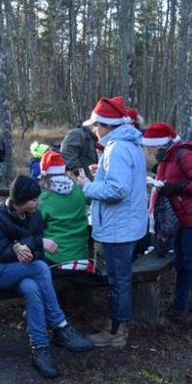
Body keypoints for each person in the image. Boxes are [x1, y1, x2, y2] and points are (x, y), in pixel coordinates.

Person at [0, 175, 93, 378]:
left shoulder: (35, 216)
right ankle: (60, 326)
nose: (38, 203)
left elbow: (36, 253)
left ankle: (40, 348)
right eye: (33, 200)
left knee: (32, 287)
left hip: (24, 272)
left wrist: (28, 246)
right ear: (20, 200)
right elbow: (0, 252)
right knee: (40, 268)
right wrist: (29, 245)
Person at [80, 97, 147, 348]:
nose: (93, 129)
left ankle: (117, 332)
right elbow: (123, 182)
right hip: (127, 224)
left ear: (107, 125)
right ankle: (117, 323)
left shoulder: (117, 148)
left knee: (119, 280)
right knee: (121, 277)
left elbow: (117, 190)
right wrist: (103, 174)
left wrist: (88, 186)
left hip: (120, 227)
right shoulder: (129, 145)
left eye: (96, 125)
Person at [140, 123, 192, 328]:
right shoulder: (167, 158)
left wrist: (173, 188)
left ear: (161, 144)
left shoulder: (183, 155)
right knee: (181, 263)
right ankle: (179, 307)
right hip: (181, 218)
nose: (149, 151)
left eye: (150, 147)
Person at [37, 151, 90, 266]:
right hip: (82, 255)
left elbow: (35, 226)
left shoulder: (44, 199)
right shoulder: (78, 191)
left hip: (55, 257)